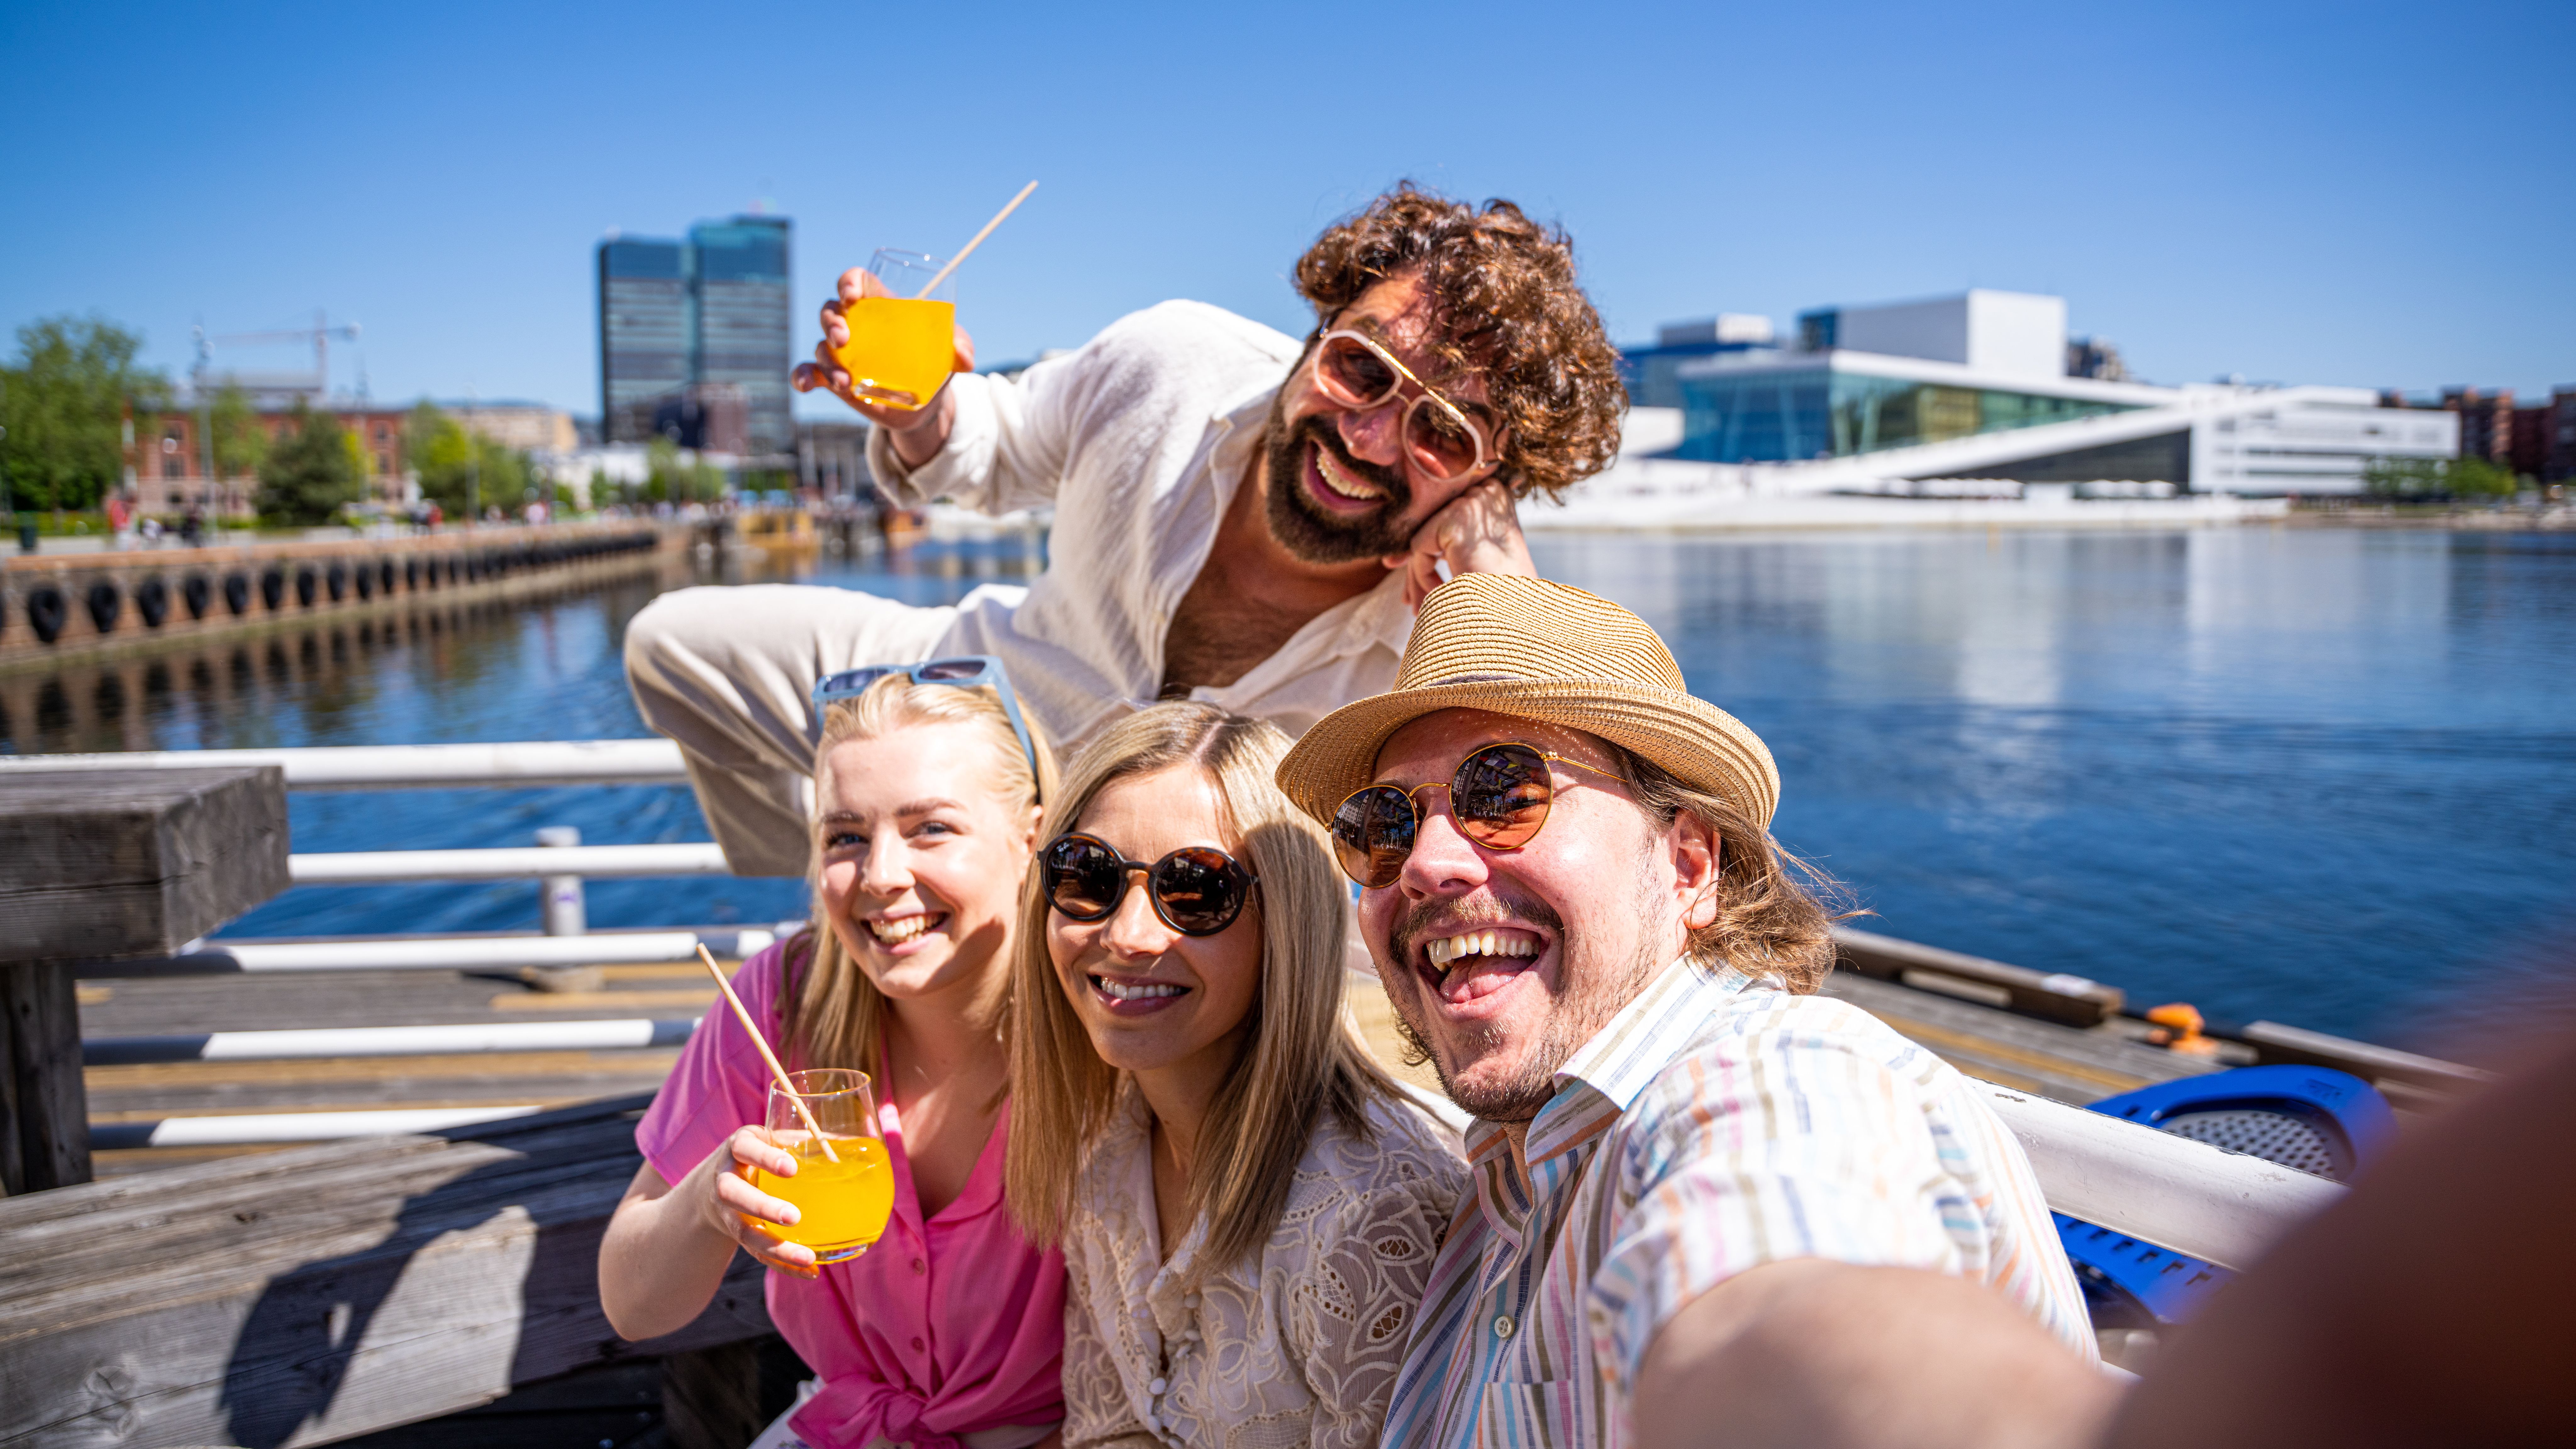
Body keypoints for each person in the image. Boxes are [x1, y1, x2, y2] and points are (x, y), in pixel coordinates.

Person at [1268, 574, 2109, 1449]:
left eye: (1505, 794)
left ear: (1689, 868)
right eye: (1384, 824)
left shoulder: (1783, 1084)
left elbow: (1781, 1290)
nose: (1423, 864)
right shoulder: (1509, 1183)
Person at [625, 184, 1629, 878]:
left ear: (1494, 477)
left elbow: (1563, 832)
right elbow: (996, 444)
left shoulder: (1455, 628)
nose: (1367, 438)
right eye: (1362, 368)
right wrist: (922, 411)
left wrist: (1498, 576)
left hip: (1161, 899)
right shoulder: (1173, 360)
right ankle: (848, 916)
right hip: (982, 696)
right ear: (1319, 333)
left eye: (1442, 433)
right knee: (676, 646)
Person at [600, 661, 1068, 1449]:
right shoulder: (781, 1000)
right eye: (846, 837)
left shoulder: (1100, 1019)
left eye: (930, 829)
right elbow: (633, 1305)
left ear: (1030, 840)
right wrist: (709, 1203)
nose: (880, 876)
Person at [1004, 702, 1467, 1448]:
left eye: (1195, 891)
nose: (1127, 934)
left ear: (1287, 918)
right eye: (1088, 875)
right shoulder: (1106, 1151)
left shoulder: (1372, 1215)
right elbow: (1108, 1432)